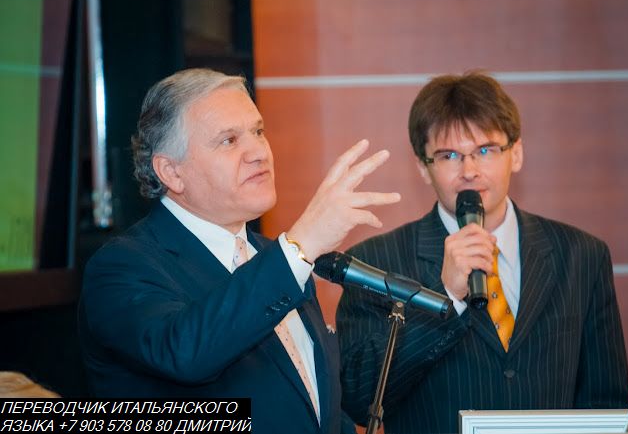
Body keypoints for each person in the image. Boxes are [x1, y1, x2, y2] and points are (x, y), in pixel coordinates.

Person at [78, 68, 399, 434]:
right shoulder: (122, 266)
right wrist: (301, 245)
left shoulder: (277, 257)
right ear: (172, 172)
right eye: (229, 140)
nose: (259, 152)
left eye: (258, 131)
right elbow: (186, 352)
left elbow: (316, 404)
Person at [336, 72, 628, 434]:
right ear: (423, 168)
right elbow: (359, 397)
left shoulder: (581, 257)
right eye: (449, 155)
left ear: (516, 153)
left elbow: (606, 403)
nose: (469, 171)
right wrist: (446, 294)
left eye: (486, 150)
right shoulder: (374, 265)